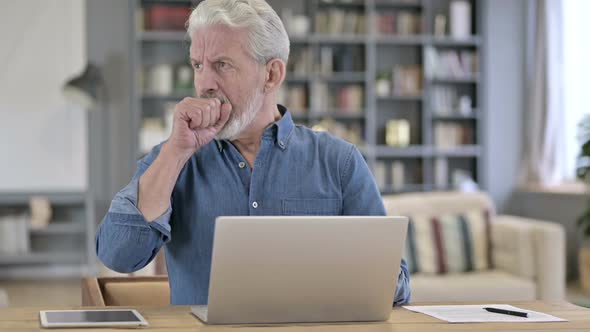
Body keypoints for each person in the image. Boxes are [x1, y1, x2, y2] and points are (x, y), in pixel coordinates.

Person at [96, 0, 410, 306]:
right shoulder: (172, 159)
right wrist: (176, 153)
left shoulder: (339, 162)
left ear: (271, 74)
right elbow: (118, 256)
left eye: (222, 65)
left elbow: (395, 287)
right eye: (197, 65)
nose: (204, 83)